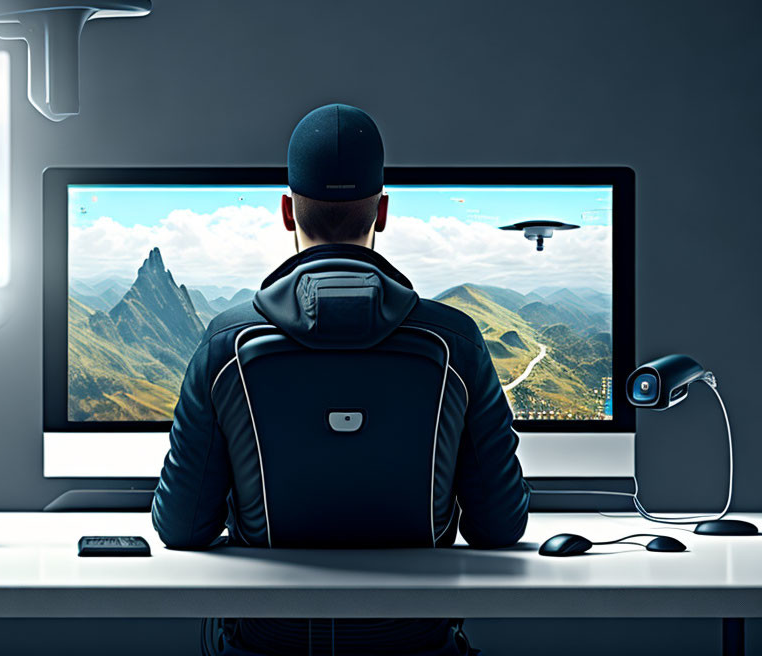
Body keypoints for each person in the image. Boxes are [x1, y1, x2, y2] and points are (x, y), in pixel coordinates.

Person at [152, 104, 529, 655]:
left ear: (286, 211)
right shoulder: (457, 343)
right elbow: (499, 527)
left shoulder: (225, 346)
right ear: (382, 211)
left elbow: (182, 527)